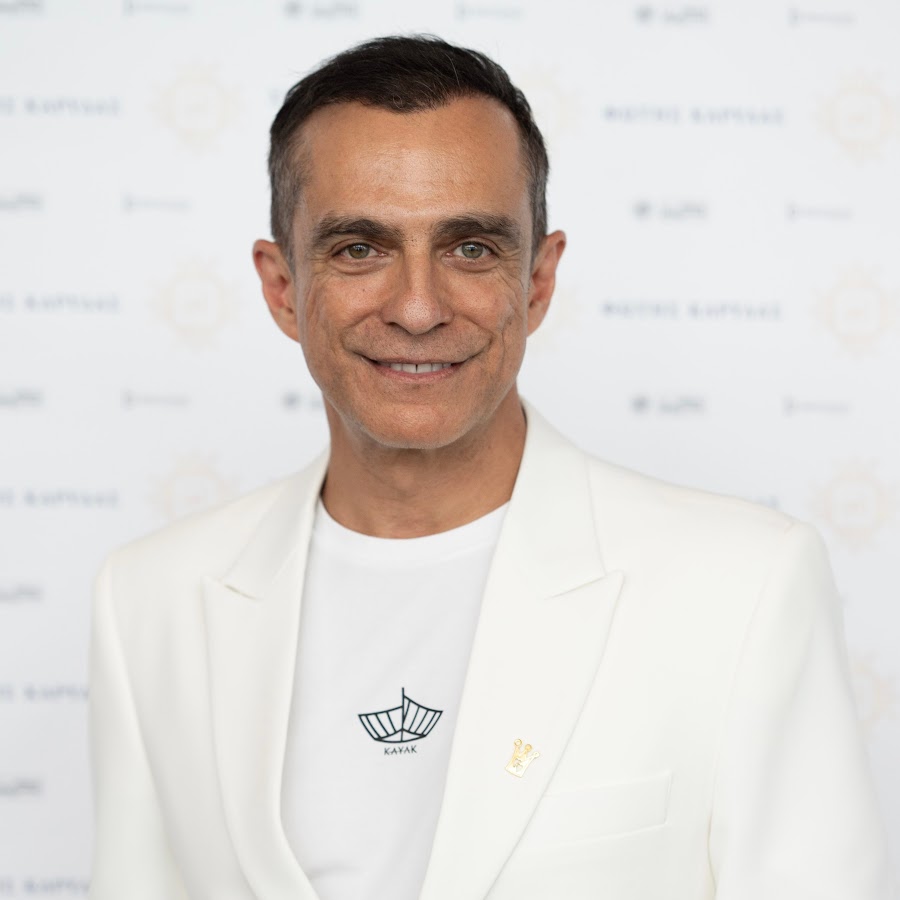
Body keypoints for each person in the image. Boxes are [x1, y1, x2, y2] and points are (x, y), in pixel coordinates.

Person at [88, 35, 891, 900]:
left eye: (470, 248)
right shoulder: (148, 601)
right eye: (360, 248)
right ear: (282, 287)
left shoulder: (743, 586)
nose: (418, 308)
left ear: (538, 281)